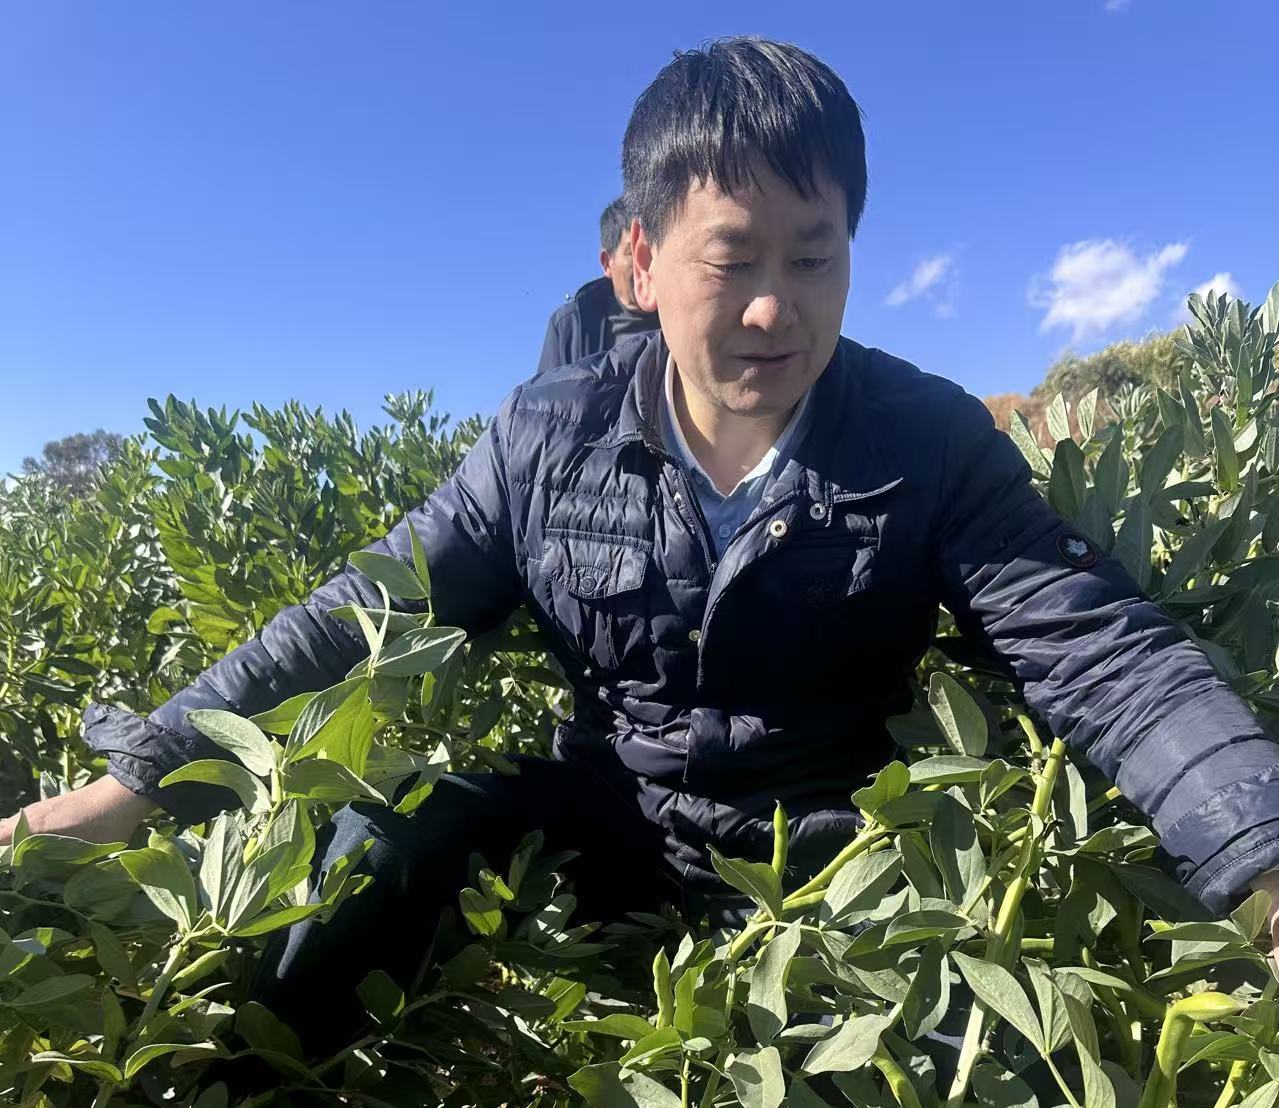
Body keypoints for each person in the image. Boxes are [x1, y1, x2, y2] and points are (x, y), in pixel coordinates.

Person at [6, 36, 1279, 1054]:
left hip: (832, 859)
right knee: (379, 847)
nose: (775, 306)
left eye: (815, 257)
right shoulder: (544, 438)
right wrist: (140, 780)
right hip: (603, 824)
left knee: (974, 1058)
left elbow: (1105, 655)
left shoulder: (927, 436)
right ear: (639, 262)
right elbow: (362, 616)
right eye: (732, 261)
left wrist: (1260, 855)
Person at [536, 196, 660, 374]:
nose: (644, 261)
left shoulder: (679, 314)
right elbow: (550, 391)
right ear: (606, 263)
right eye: (631, 252)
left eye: (650, 249)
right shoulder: (569, 327)